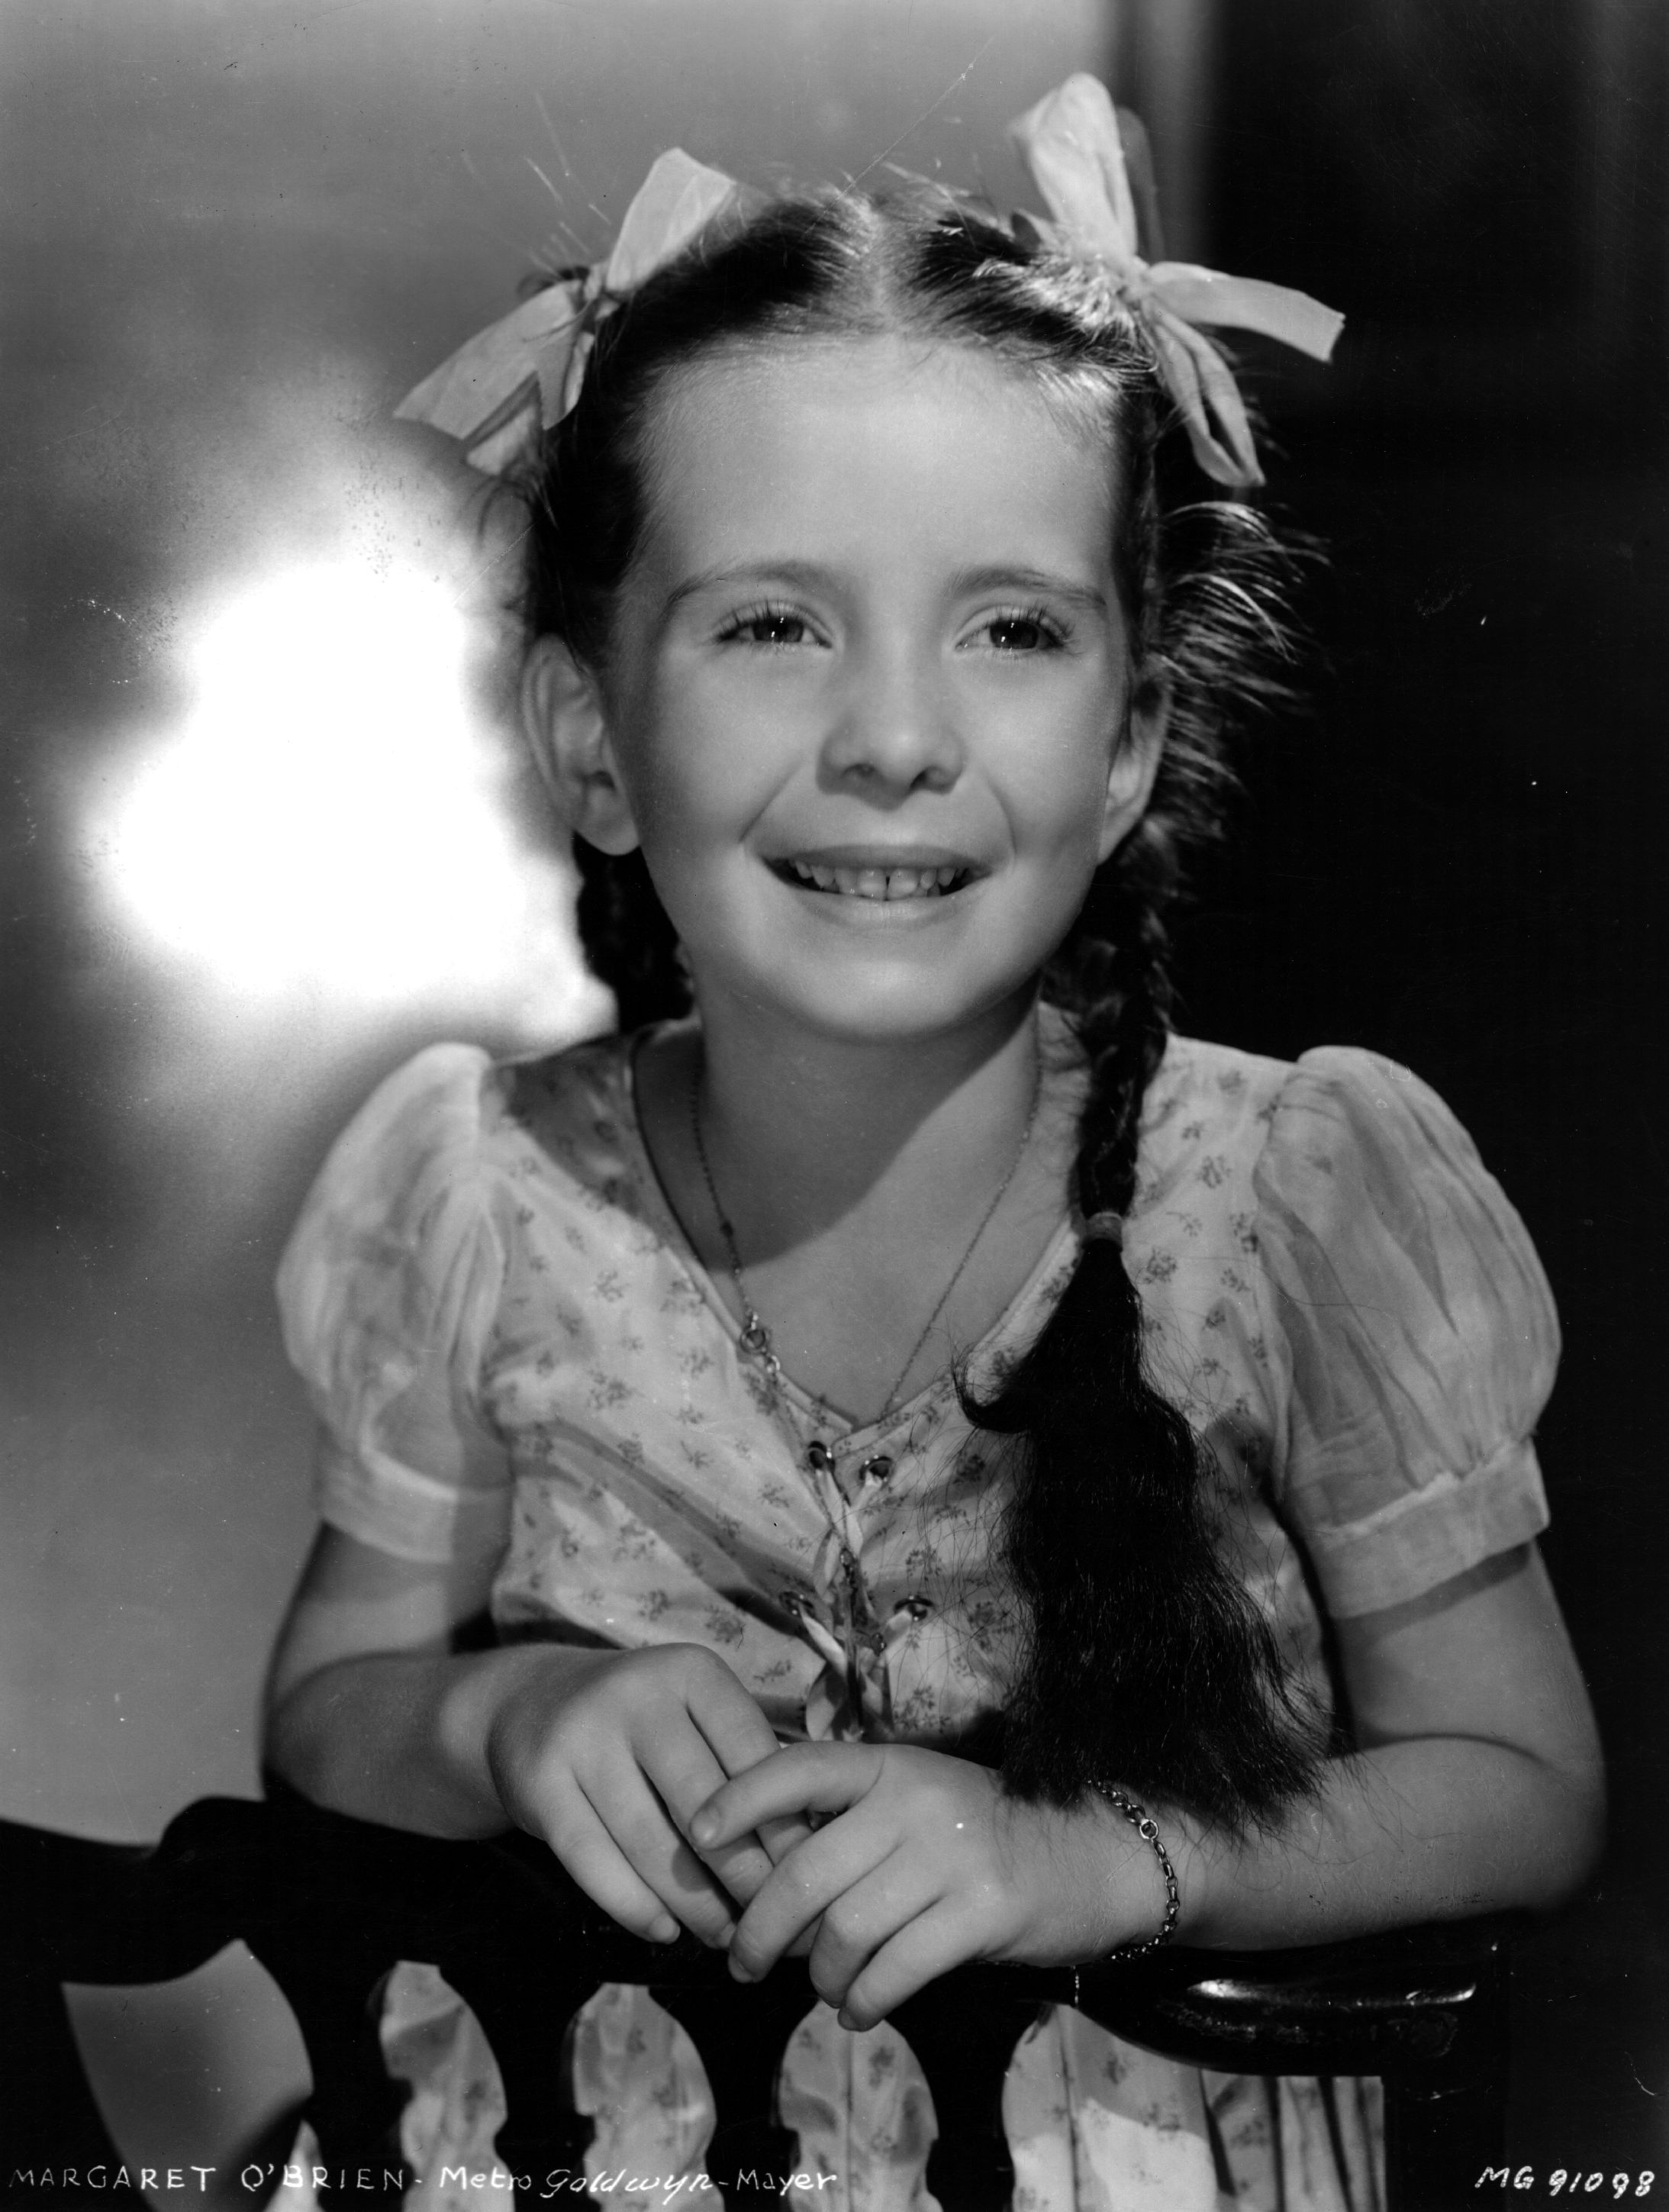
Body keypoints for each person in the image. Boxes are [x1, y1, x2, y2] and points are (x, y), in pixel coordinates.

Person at [263, 76, 1604, 2212]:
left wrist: (1089, 1858)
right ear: (592, 739)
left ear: (1130, 737)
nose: (891, 737)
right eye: (773, 623)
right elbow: (332, 1708)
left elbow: (1521, 1786)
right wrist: (501, 1721)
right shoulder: (480, 1188)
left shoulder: (1297, 1193)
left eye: (1008, 629)